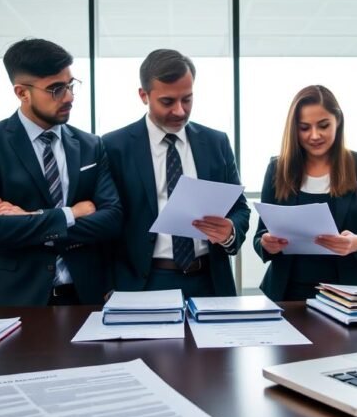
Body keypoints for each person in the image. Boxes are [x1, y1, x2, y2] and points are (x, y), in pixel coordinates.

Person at [0, 38, 122, 306]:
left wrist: (30, 218)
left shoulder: (91, 145)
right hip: (14, 296)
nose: (69, 96)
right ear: (22, 93)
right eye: (56, 89)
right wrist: (71, 213)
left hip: (84, 295)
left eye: (71, 85)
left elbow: (112, 219)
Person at [102, 49, 250, 299]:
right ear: (143, 95)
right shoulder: (114, 146)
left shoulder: (216, 143)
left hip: (210, 281)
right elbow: (106, 220)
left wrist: (230, 232)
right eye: (168, 102)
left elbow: (240, 208)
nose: (180, 111)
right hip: (144, 282)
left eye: (188, 99)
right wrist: (107, 287)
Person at [253, 85, 357, 301]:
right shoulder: (277, 169)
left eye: (323, 125)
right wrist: (266, 243)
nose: (314, 135)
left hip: (350, 294)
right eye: (304, 128)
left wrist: (356, 243)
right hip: (288, 294)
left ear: (338, 122)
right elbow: (260, 236)